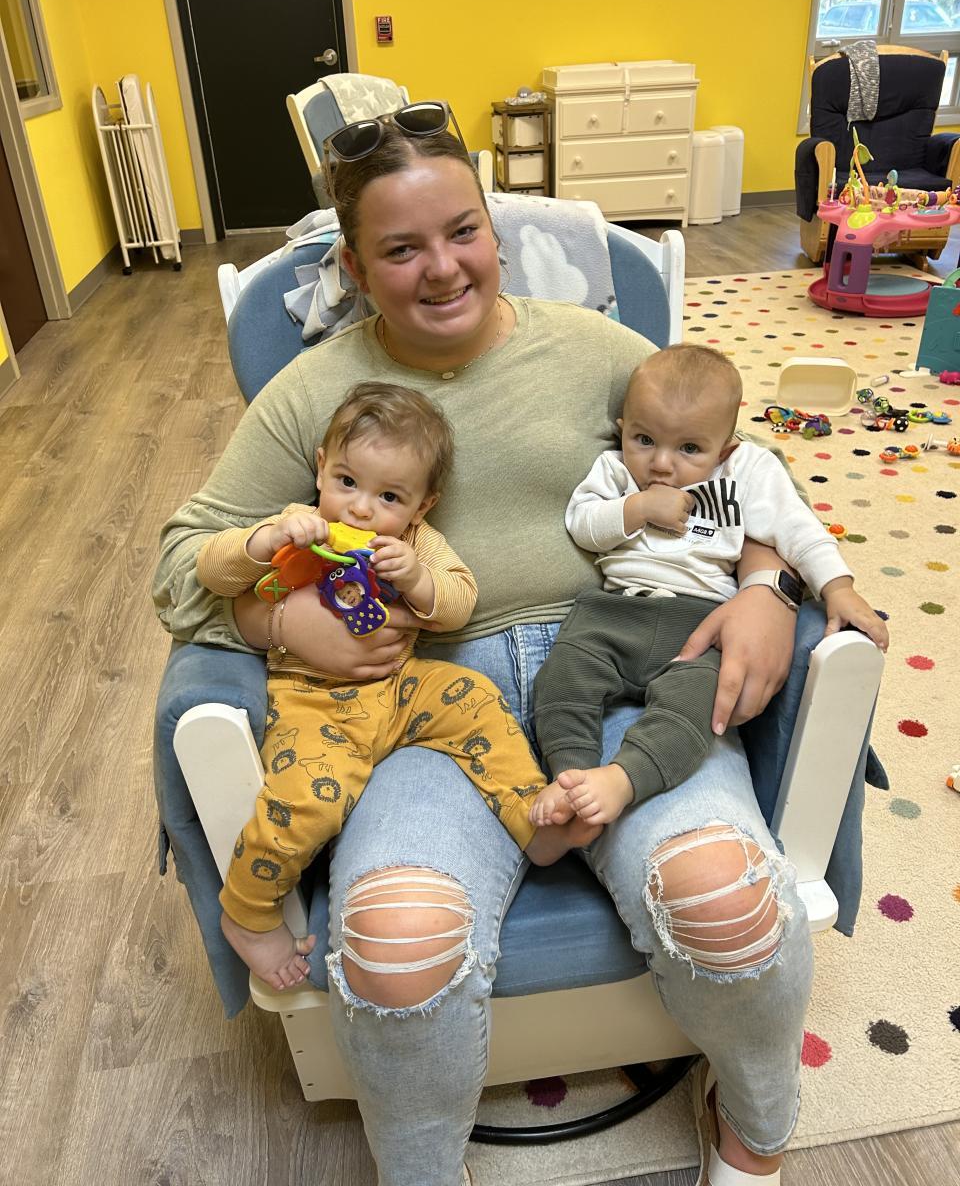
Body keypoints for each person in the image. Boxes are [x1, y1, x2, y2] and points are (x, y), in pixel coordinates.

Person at [154, 102, 818, 1186]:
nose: (443, 267)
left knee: (724, 896)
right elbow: (181, 562)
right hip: (417, 702)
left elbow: (744, 471)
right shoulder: (311, 395)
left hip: (621, 663)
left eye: (463, 229)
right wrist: (278, 619)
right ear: (353, 268)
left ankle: (755, 1131)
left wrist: (767, 586)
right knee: (397, 945)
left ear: (494, 228)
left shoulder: (601, 353)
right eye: (400, 248)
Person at [196, 380, 591, 989]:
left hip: (400, 688)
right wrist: (263, 541)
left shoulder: (414, 545)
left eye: (388, 496)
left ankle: (530, 820)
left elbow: (458, 603)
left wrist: (417, 580)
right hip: (310, 701)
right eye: (347, 481)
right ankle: (247, 911)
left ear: (422, 505)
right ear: (320, 468)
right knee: (309, 800)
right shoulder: (296, 525)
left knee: (476, 699)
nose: (359, 509)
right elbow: (213, 569)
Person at [530, 345, 889, 830]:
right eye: (643, 439)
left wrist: (838, 587)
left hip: (701, 624)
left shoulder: (747, 470)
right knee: (563, 678)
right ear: (622, 427)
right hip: (615, 612)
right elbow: (582, 525)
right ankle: (569, 776)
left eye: (689, 449)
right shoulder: (615, 471)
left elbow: (799, 530)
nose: (661, 463)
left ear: (725, 448)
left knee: (698, 706)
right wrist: (637, 509)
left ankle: (625, 778)